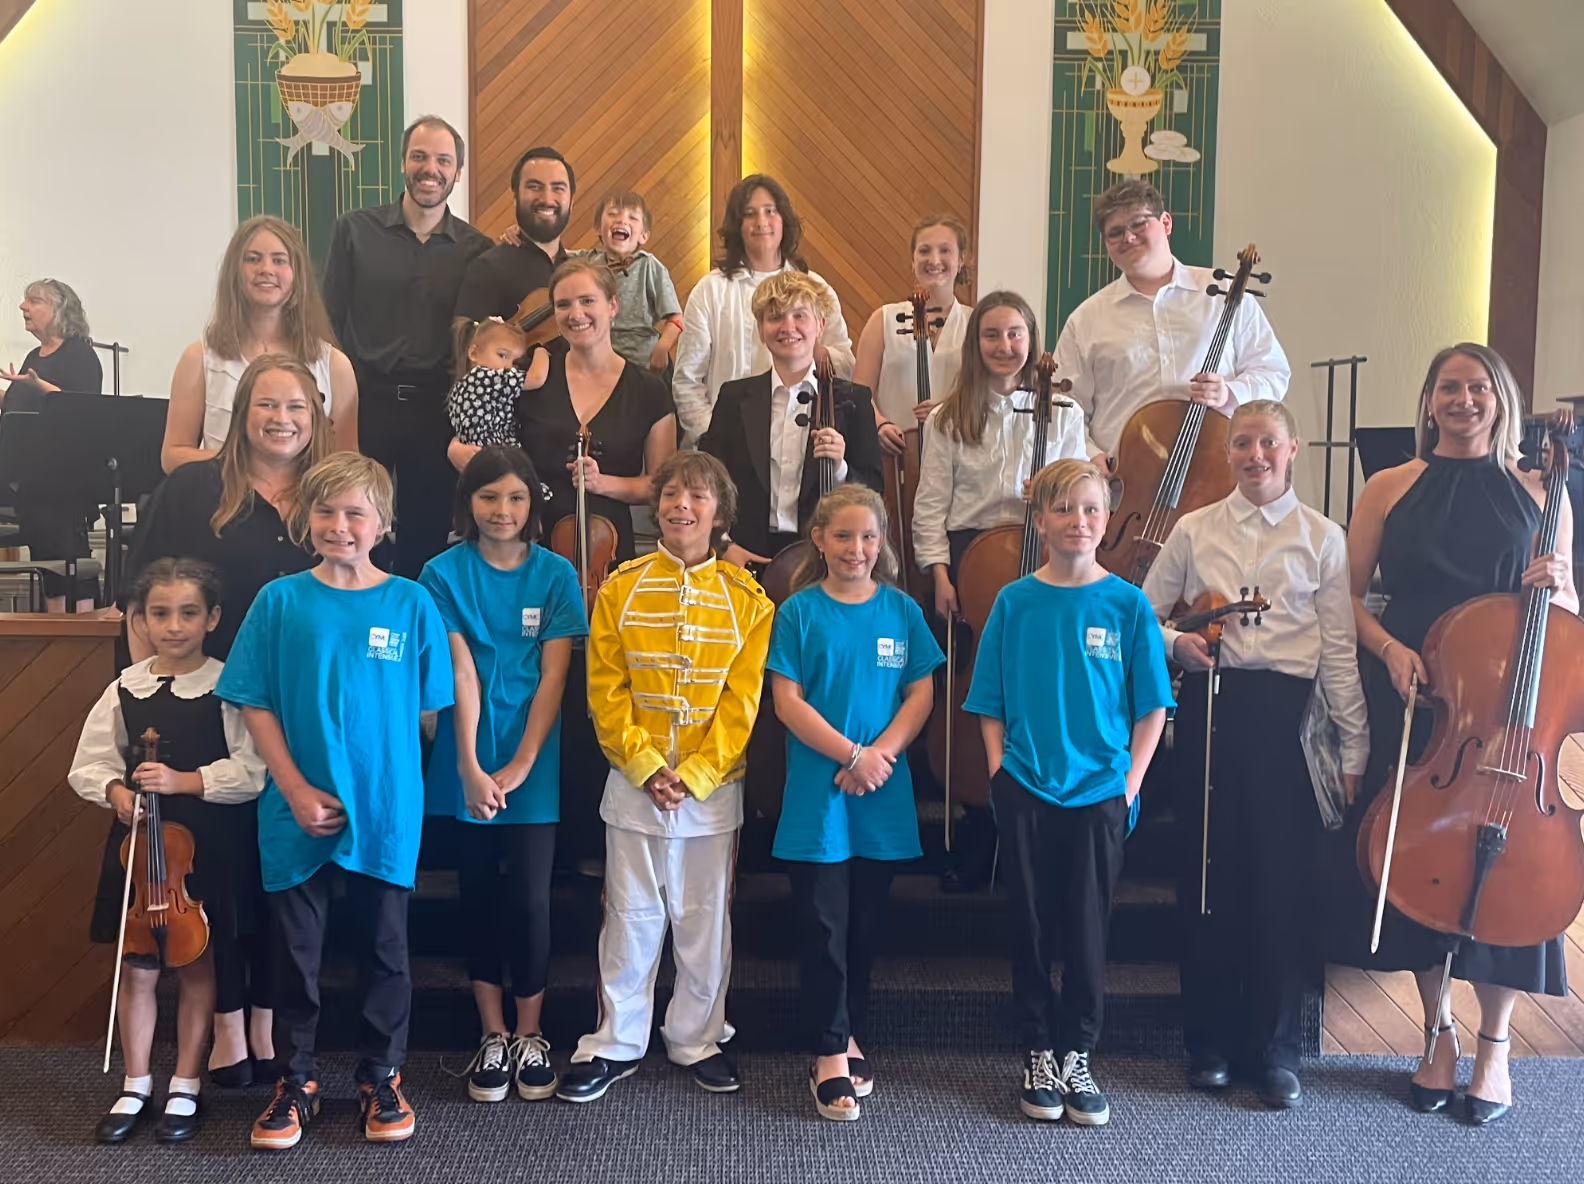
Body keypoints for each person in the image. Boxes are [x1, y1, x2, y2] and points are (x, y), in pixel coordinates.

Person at [1329, 343, 1576, 1127]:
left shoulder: (1541, 490)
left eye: (1478, 388)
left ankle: (1495, 1044)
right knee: (1414, 859)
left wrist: (1561, 584)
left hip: (1507, 708)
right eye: (1447, 388)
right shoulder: (1388, 485)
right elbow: (1347, 600)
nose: (1462, 400)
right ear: (1428, 399)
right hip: (1412, 692)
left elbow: (1567, 623)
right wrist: (1391, 649)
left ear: (1501, 400)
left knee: (1511, 874)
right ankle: (1435, 1032)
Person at [218, 453, 453, 1149]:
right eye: (325, 510)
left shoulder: (412, 603)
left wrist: (382, 778)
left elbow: (426, 713)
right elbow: (254, 701)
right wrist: (292, 786)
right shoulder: (279, 600)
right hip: (294, 807)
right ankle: (298, 1083)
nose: (339, 525)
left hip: (384, 809)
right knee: (297, 955)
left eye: (355, 512)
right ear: (304, 518)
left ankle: (383, 1076)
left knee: (386, 950)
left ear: (382, 523)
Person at [1141, 399, 1369, 1109]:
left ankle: (1275, 1051)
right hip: (1212, 713)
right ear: (1229, 451)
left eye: (1267, 442)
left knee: (1281, 887)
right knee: (1208, 885)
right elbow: (1143, 613)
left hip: (1288, 723)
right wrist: (1181, 644)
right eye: (1242, 443)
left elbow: (1337, 650)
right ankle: (1207, 1043)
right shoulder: (1193, 528)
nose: (1254, 455)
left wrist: (1354, 743)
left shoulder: (1322, 537)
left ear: (1292, 448)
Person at [557, 451, 774, 1103]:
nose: (683, 504)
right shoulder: (620, 587)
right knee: (629, 915)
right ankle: (616, 1040)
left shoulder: (749, 600)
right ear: (657, 508)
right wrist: (648, 766)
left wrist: (700, 773)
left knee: (705, 918)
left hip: (713, 793)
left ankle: (695, 1036)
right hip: (633, 782)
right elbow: (605, 689)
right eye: (673, 494)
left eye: (699, 496)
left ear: (720, 513)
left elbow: (743, 701)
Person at [962, 458, 1173, 1127]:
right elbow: (987, 697)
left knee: (1086, 928)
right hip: (1025, 783)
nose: (1078, 522)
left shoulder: (1128, 604)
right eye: (1064, 509)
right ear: (1041, 519)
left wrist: (1129, 784)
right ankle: (1035, 1051)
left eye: (1091, 510)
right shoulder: (1015, 601)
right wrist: (998, 771)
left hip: (1100, 792)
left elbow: (1152, 707)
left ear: (1106, 520)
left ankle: (1077, 1051)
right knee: (1028, 924)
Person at [70, 558, 266, 1145]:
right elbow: (90, 764)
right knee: (137, 970)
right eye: (159, 614)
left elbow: (251, 770)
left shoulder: (227, 685)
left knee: (197, 963)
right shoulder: (123, 690)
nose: (173, 626)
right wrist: (116, 793)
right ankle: (135, 1083)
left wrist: (183, 781)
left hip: (205, 847)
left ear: (212, 618)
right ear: (140, 620)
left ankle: (185, 1084)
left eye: (187, 613)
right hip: (140, 845)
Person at [418, 446, 588, 1105]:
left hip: (533, 757)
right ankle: (490, 1036)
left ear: (533, 504)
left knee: (530, 902)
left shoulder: (556, 575)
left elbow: (554, 677)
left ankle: (530, 1034)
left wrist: (518, 765)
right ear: (470, 503)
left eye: (516, 497)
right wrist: (468, 765)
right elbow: (459, 674)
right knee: (478, 896)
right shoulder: (440, 573)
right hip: (464, 754)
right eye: (489, 497)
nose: (502, 510)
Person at [767, 484, 942, 1121]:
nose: (856, 549)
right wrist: (850, 755)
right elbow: (787, 702)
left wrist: (880, 757)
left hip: (881, 791)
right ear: (819, 539)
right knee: (825, 927)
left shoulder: (901, 611)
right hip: (823, 792)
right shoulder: (799, 612)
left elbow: (920, 694)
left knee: (865, 925)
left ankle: (847, 1032)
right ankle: (828, 1052)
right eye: (843, 536)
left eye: (868, 537)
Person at [909, 291, 1086, 890]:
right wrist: (938, 572)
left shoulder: (1062, 413)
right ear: (975, 343)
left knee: (1039, 697)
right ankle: (972, 829)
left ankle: (1032, 839)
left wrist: (1054, 489)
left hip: (1044, 558)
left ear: (1032, 340)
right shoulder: (949, 416)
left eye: (1016, 334)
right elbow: (930, 504)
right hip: (972, 562)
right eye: (992, 335)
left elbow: (1083, 499)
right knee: (973, 697)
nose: (1005, 346)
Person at [321, 115, 491, 579]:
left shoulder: (479, 249)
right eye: (419, 156)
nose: (429, 168)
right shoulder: (354, 231)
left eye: (443, 160)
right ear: (402, 163)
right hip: (364, 401)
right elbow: (326, 324)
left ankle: (413, 636)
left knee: (425, 539)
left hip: (438, 409)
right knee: (353, 524)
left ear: (457, 173)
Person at [1052, 179, 1290, 467]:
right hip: (1122, 485)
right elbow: (1065, 407)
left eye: (1138, 224)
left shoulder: (1225, 294)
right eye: (1115, 233)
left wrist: (1230, 394)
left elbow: (1273, 373)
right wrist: (1090, 456)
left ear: (1166, 222)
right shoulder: (1086, 319)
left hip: (1215, 473)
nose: (1128, 238)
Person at [128, 355, 332, 664]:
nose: (281, 418)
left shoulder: (337, 500)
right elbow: (139, 599)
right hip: (203, 692)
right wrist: (149, 691)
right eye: (266, 404)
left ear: (314, 416)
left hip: (312, 691)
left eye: (296, 406)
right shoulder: (187, 488)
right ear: (241, 415)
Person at [699, 271, 883, 568]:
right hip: (745, 557)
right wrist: (724, 545)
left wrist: (839, 468)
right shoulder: (733, 398)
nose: (788, 327)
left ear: (820, 325)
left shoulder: (853, 400)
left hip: (824, 560)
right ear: (761, 330)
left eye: (800, 315)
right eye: (775, 317)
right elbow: (707, 483)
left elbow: (875, 493)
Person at [509, 258, 677, 563]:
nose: (575, 314)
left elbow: (661, 485)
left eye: (587, 301)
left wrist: (604, 484)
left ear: (613, 306)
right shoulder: (531, 379)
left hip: (608, 545)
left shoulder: (649, 391)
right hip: (531, 541)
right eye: (563, 305)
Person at [161, 215, 358, 473]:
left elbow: (348, 462)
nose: (266, 269)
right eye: (253, 259)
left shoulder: (335, 366)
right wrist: (247, 458)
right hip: (222, 505)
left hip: (306, 507)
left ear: (297, 275)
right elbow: (172, 457)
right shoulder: (198, 358)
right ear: (234, 272)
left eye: (279, 260)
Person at [673, 174, 855, 440]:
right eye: (749, 214)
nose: (761, 222)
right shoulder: (710, 290)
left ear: (784, 220)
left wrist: (809, 344)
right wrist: (715, 438)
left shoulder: (815, 287)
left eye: (770, 211)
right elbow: (687, 381)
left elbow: (846, 366)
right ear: (738, 225)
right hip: (729, 440)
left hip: (802, 438)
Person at [1, 278, 103, 612]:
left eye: (33, 300)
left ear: (59, 310)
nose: (23, 307)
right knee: (46, 561)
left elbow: (83, 410)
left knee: (70, 560)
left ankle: (83, 640)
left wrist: (37, 384)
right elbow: (22, 409)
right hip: (31, 483)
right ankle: (57, 637)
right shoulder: (34, 355)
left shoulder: (80, 354)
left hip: (65, 484)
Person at [851, 214, 973, 454]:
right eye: (924, 251)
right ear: (913, 260)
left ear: (960, 261)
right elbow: (860, 393)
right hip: (896, 456)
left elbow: (988, 397)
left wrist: (949, 411)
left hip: (959, 454)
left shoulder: (976, 324)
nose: (934, 259)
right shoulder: (883, 319)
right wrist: (879, 425)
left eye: (945, 250)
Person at [455, 146, 574, 325]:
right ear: (515, 197)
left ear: (571, 201)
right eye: (534, 187)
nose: (547, 199)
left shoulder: (578, 270)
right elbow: (469, 347)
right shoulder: (487, 269)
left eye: (558, 188)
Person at [570, 190, 684, 372]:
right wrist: (518, 233)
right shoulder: (588, 260)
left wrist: (661, 349)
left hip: (642, 364)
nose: (622, 220)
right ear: (599, 228)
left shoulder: (650, 266)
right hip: (598, 364)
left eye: (632, 218)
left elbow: (676, 319)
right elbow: (550, 252)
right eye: (613, 214)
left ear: (644, 235)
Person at [445, 317, 549, 460]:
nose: (508, 366)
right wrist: (541, 349)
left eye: (514, 362)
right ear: (473, 353)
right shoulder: (486, 377)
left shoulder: (462, 384)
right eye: (502, 355)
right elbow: (537, 378)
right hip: (497, 457)